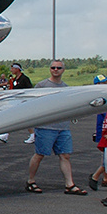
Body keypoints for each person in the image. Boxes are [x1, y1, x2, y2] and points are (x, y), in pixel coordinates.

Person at [24, 60, 88, 195]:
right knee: (40, 154)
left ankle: (69, 184)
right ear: (50, 69)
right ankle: (31, 180)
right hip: (45, 127)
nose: (56, 70)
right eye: (53, 67)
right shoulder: (42, 85)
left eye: (59, 68)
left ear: (63, 70)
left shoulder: (66, 87)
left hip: (63, 127)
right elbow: (32, 104)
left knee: (65, 155)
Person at [9, 63, 34, 143]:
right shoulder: (15, 79)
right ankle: (6, 134)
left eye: (13, 68)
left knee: (24, 118)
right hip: (16, 101)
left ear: (17, 69)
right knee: (13, 117)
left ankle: (33, 134)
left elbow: (30, 89)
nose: (11, 70)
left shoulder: (24, 79)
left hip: (23, 101)